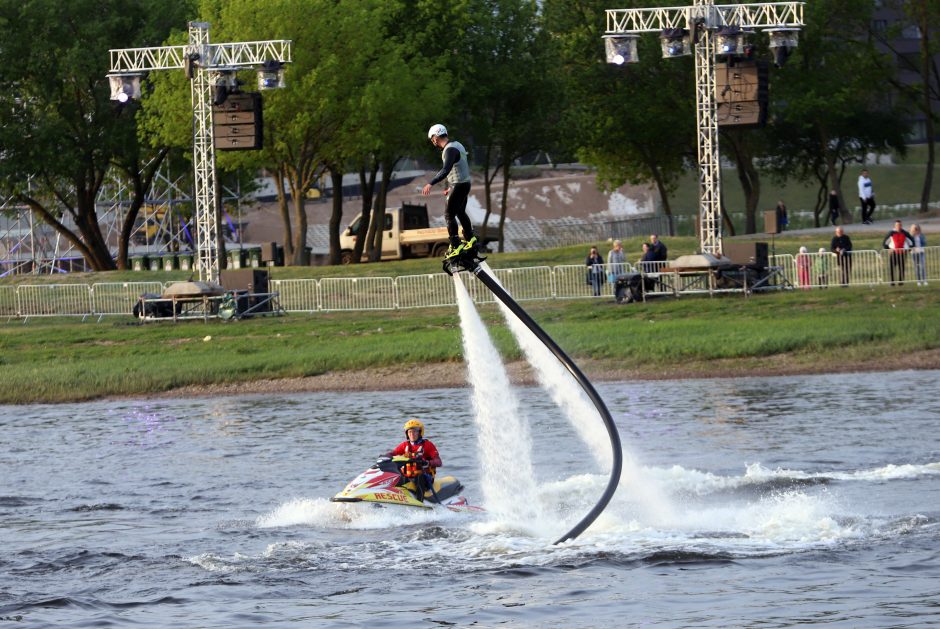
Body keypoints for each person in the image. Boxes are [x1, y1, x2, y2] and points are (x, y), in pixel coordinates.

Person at [422, 124, 476, 259]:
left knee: (449, 215)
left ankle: (455, 245)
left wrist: (431, 183)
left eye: (432, 139)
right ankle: (471, 239)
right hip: (464, 184)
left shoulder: (449, 150)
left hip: (458, 186)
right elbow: (456, 168)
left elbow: (446, 169)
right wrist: (448, 186)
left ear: (435, 136)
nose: (432, 142)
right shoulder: (457, 145)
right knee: (460, 212)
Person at [386, 418, 442, 503]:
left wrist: (428, 462)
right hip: (408, 476)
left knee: (419, 477)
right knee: (394, 479)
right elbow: (392, 453)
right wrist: (385, 457)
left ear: (420, 433)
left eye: (414, 431)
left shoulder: (427, 445)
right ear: (407, 434)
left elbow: (439, 462)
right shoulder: (404, 445)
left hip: (425, 477)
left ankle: (420, 502)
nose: (412, 434)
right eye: (409, 432)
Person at [883, 220, 914, 286]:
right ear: (894, 226)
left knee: (901, 268)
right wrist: (888, 249)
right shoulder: (891, 233)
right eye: (897, 225)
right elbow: (884, 243)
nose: (898, 226)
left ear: (901, 226)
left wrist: (908, 250)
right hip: (893, 252)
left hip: (902, 253)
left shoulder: (905, 233)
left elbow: (912, 242)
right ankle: (892, 282)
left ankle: (901, 282)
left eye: (900, 225)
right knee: (892, 267)